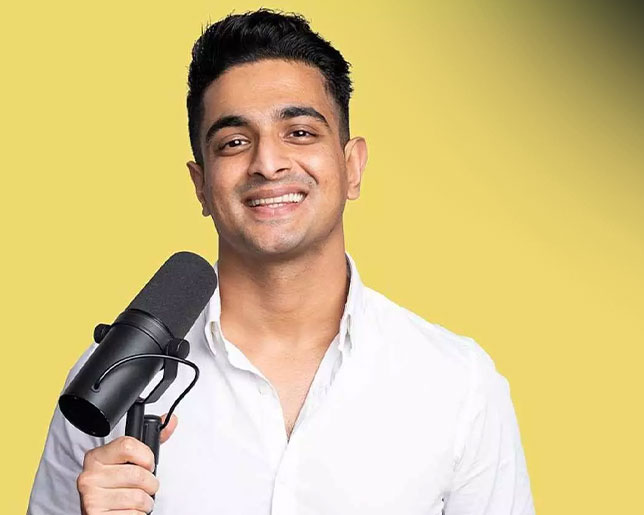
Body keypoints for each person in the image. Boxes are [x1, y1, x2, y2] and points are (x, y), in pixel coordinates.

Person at [28, 9, 534, 515]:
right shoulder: (109, 382)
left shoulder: (459, 384)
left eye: (300, 133)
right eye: (234, 142)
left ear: (352, 166)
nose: (268, 164)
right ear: (201, 185)